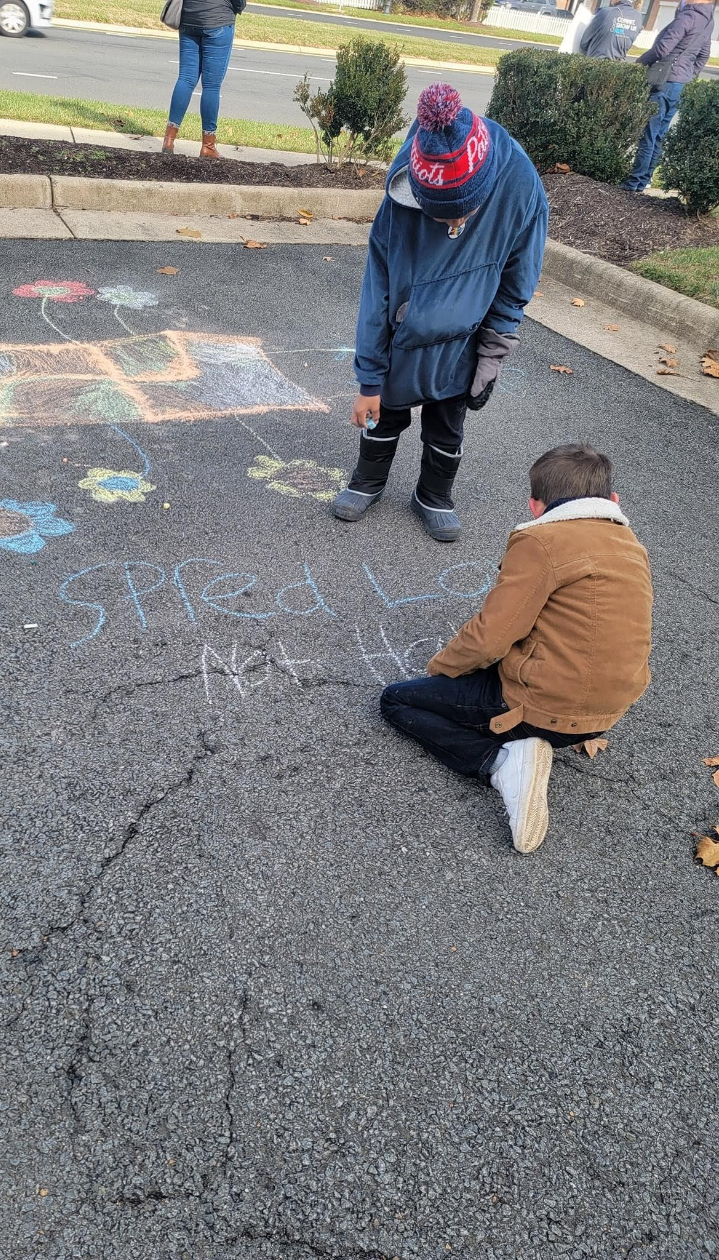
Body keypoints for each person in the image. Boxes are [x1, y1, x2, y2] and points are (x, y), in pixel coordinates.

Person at [380, 444, 653, 854]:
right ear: (612, 500)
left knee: (396, 700)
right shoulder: (630, 544)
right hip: (609, 711)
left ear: (535, 506)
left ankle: (502, 764)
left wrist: (442, 669)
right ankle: (526, 740)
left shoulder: (542, 540)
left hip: (546, 708)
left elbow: (491, 636)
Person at [333, 83, 548, 543]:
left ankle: (433, 494)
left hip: (465, 336)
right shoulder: (404, 187)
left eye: (461, 214)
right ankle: (368, 480)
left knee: (448, 421)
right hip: (404, 330)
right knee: (384, 410)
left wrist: (492, 353)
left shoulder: (520, 186)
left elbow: (517, 282)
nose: (452, 225)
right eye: (437, 215)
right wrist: (368, 380)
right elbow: (378, 290)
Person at [622, 0, 715, 192]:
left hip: (664, 81)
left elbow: (663, 49)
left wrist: (638, 63)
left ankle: (633, 183)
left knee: (649, 133)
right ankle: (643, 181)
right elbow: (703, 55)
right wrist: (689, 74)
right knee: (659, 135)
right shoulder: (708, 19)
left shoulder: (688, 16)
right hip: (679, 83)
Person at [162, 0, 245, 160]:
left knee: (185, 78)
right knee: (211, 86)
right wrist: (239, 7)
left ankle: (169, 140)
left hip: (189, 17)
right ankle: (208, 146)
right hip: (218, 19)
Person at [579, 0, 643, 59]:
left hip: (596, 62)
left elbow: (584, 42)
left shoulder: (605, 12)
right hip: (618, 64)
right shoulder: (638, 17)